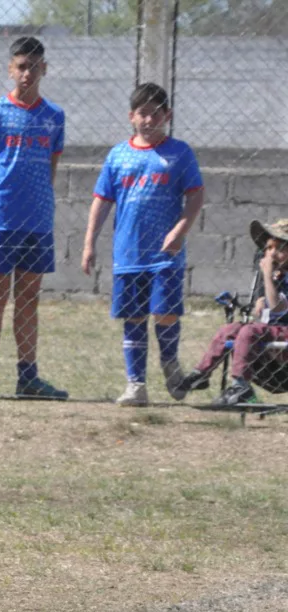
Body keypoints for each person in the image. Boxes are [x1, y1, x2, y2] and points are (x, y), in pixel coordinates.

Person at [82, 83, 204, 407]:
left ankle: (170, 364)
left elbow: (195, 196)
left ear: (168, 115)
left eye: (155, 113)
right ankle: (136, 385)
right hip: (129, 254)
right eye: (142, 113)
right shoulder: (118, 155)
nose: (148, 120)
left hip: (166, 255)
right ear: (131, 116)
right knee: (133, 318)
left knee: (164, 313)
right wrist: (89, 243)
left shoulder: (179, 153)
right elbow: (102, 200)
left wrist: (180, 229)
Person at [0, 37, 67, 400]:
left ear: (44, 68)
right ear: (11, 70)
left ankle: (28, 375)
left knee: (30, 296)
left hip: (38, 220)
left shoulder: (54, 116)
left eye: (34, 66)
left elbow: (52, 167)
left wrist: (39, 199)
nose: (27, 73)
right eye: (21, 66)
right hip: (3, 219)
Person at [177, 219, 288, 407]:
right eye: (268, 248)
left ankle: (241, 386)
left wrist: (267, 277)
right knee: (230, 329)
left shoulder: (277, 277)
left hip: (284, 332)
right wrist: (262, 294)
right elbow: (265, 310)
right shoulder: (279, 276)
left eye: (278, 249)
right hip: (271, 331)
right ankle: (201, 374)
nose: (271, 254)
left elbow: (278, 310)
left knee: (249, 332)